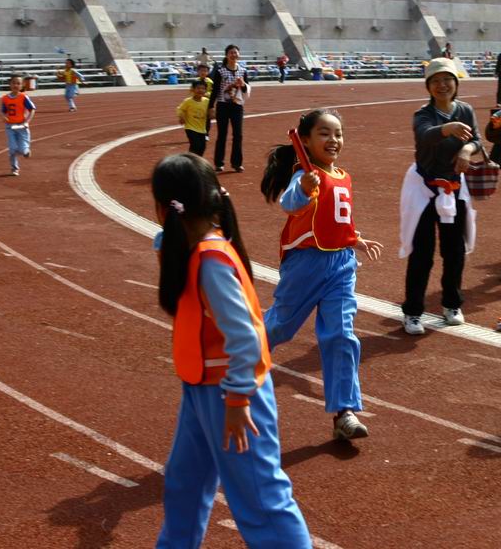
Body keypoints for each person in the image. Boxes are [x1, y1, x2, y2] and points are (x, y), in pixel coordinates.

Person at [150, 154, 311, 549]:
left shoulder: (211, 261)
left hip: (232, 395)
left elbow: (246, 338)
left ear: (165, 207)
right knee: (184, 484)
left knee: (261, 500)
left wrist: (238, 399)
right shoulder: (195, 250)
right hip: (201, 389)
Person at [260, 109, 384, 440]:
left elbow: (340, 218)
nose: (333, 140)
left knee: (341, 334)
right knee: (280, 326)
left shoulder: (343, 176)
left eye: (338, 134)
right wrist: (302, 187)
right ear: (305, 140)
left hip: (341, 265)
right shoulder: (304, 175)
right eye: (324, 133)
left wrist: (357, 240)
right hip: (305, 264)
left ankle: (344, 411)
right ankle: (239, 360)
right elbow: (290, 204)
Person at [400, 59, 479, 336]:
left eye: (447, 79)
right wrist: (447, 129)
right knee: (422, 253)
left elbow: (477, 139)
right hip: (424, 189)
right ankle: (412, 312)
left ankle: (452, 305)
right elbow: (425, 136)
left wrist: (467, 150)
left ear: (456, 83)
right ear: (428, 86)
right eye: (435, 81)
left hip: (453, 189)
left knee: (454, 251)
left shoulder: (466, 110)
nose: (442, 85)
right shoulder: (422, 115)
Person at [209, 45, 250, 173]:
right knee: (222, 134)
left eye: (235, 52)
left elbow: (247, 89)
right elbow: (215, 90)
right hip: (223, 106)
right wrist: (211, 106)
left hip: (237, 106)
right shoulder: (220, 71)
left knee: (238, 134)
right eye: (231, 53)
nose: (233, 55)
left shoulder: (243, 71)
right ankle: (219, 163)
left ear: (239, 55)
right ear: (226, 55)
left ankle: (237, 163)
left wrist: (243, 85)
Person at [1, 74, 35, 177]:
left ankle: (26, 151)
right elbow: (3, 111)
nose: (16, 85)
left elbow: (32, 109)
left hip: (22, 127)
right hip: (10, 126)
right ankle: (14, 168)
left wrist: (27, 121)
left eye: (18, 83)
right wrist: (3, 117)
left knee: (22, 150)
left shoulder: (23, 97)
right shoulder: (5, 98)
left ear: (22, 85)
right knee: (12, 149)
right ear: (10, 84)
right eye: (13, 83)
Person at [177, 80, 212, 157]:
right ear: (193, 89)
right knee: (195, 145)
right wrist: (181, 116)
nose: (200, 90)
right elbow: (180, 109)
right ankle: (191, 160)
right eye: (198, 88)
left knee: (202, 147)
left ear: (205, 90)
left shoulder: (207, 101)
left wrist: (212, 114)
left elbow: (211, 112)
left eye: (203, 88)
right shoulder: (188, 101)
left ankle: (195, 160)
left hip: (202, 129)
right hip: (190, 128)